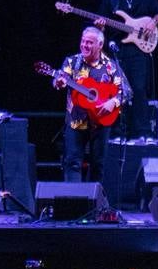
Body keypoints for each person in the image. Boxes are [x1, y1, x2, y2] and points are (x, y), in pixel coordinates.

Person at [96, 0, 158, 142]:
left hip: (139, 51)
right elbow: (101, 26)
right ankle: (118, 133)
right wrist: (101, 27)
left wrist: (153, 22)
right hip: (117, 50)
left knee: (140, 89)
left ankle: (142, 133)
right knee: (117, 91)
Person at [55, 27, 130, 183]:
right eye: (83, 41)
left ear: (100, 44)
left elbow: (126, 91)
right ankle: (73, 201)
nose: (84, 45)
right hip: (76, 122)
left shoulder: (110, 66)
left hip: (100, 123)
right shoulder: (72, 62)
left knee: (98, 166)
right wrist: (58, 82)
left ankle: (95, 205)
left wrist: (113, 102)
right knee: (72, 163)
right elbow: (59, 79)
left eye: (89, 42)